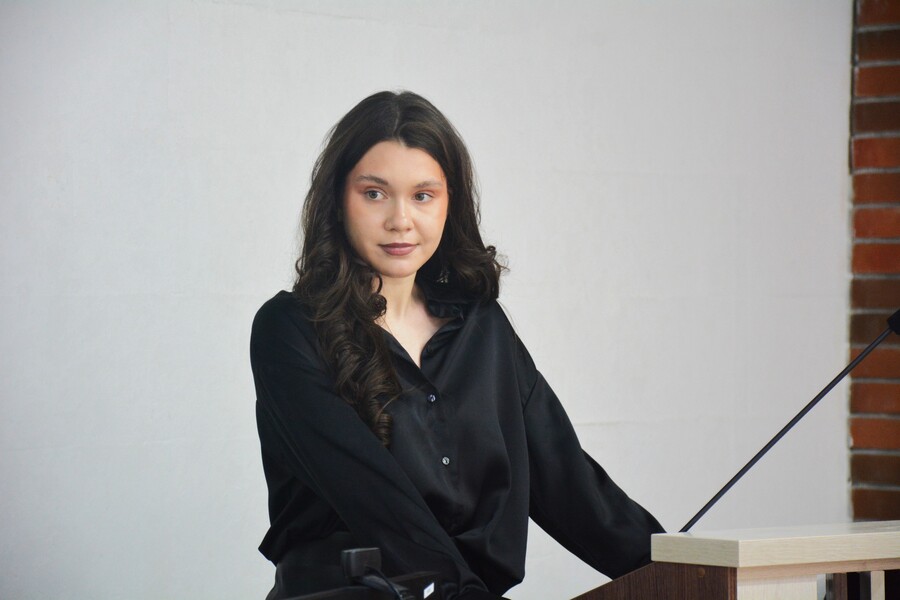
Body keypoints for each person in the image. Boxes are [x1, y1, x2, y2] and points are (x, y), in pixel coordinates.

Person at [250, 90, 664, 600]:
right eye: (374, 193)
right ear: (338, 200)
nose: (400, 220)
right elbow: (376, 502)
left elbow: (567, 479)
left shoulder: (482, 328)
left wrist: (683, 568)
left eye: (423, 195)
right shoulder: (289, 330)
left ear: (451, 202)